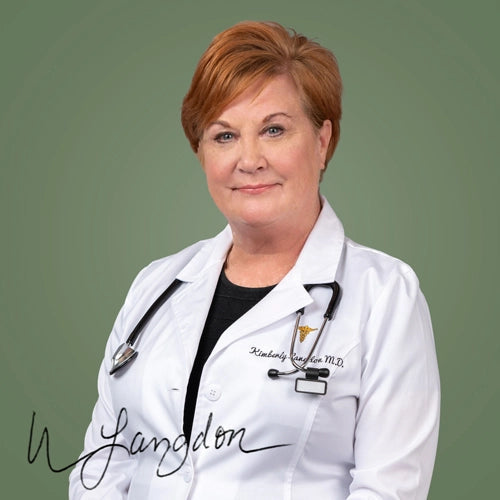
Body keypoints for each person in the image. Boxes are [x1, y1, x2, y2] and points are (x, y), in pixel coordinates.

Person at [69, 21, 440, 499]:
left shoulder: (386, 296)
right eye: (224, 136)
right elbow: (102, 468)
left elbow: (389, 489)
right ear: (201, 152)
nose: (249, 159)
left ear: (322, 141)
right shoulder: (155, 285)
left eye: (274, 130)